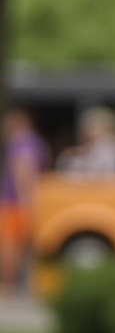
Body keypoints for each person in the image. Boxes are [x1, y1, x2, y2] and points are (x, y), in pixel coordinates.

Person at [1, 107, 48, 298]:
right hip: (20, 203)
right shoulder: (31, 142)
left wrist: (26, 203)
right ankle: (28, 289)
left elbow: (23, 172)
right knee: (26, 249)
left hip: (16, 204)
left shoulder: (23, 143)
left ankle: (6, 290)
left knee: (10, 248)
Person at [57, 105, 115, 176]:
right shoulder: (80, 151)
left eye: (92, 127)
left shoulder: (112, 145)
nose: (86, 132)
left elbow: (106, 173)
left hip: (110, 188)